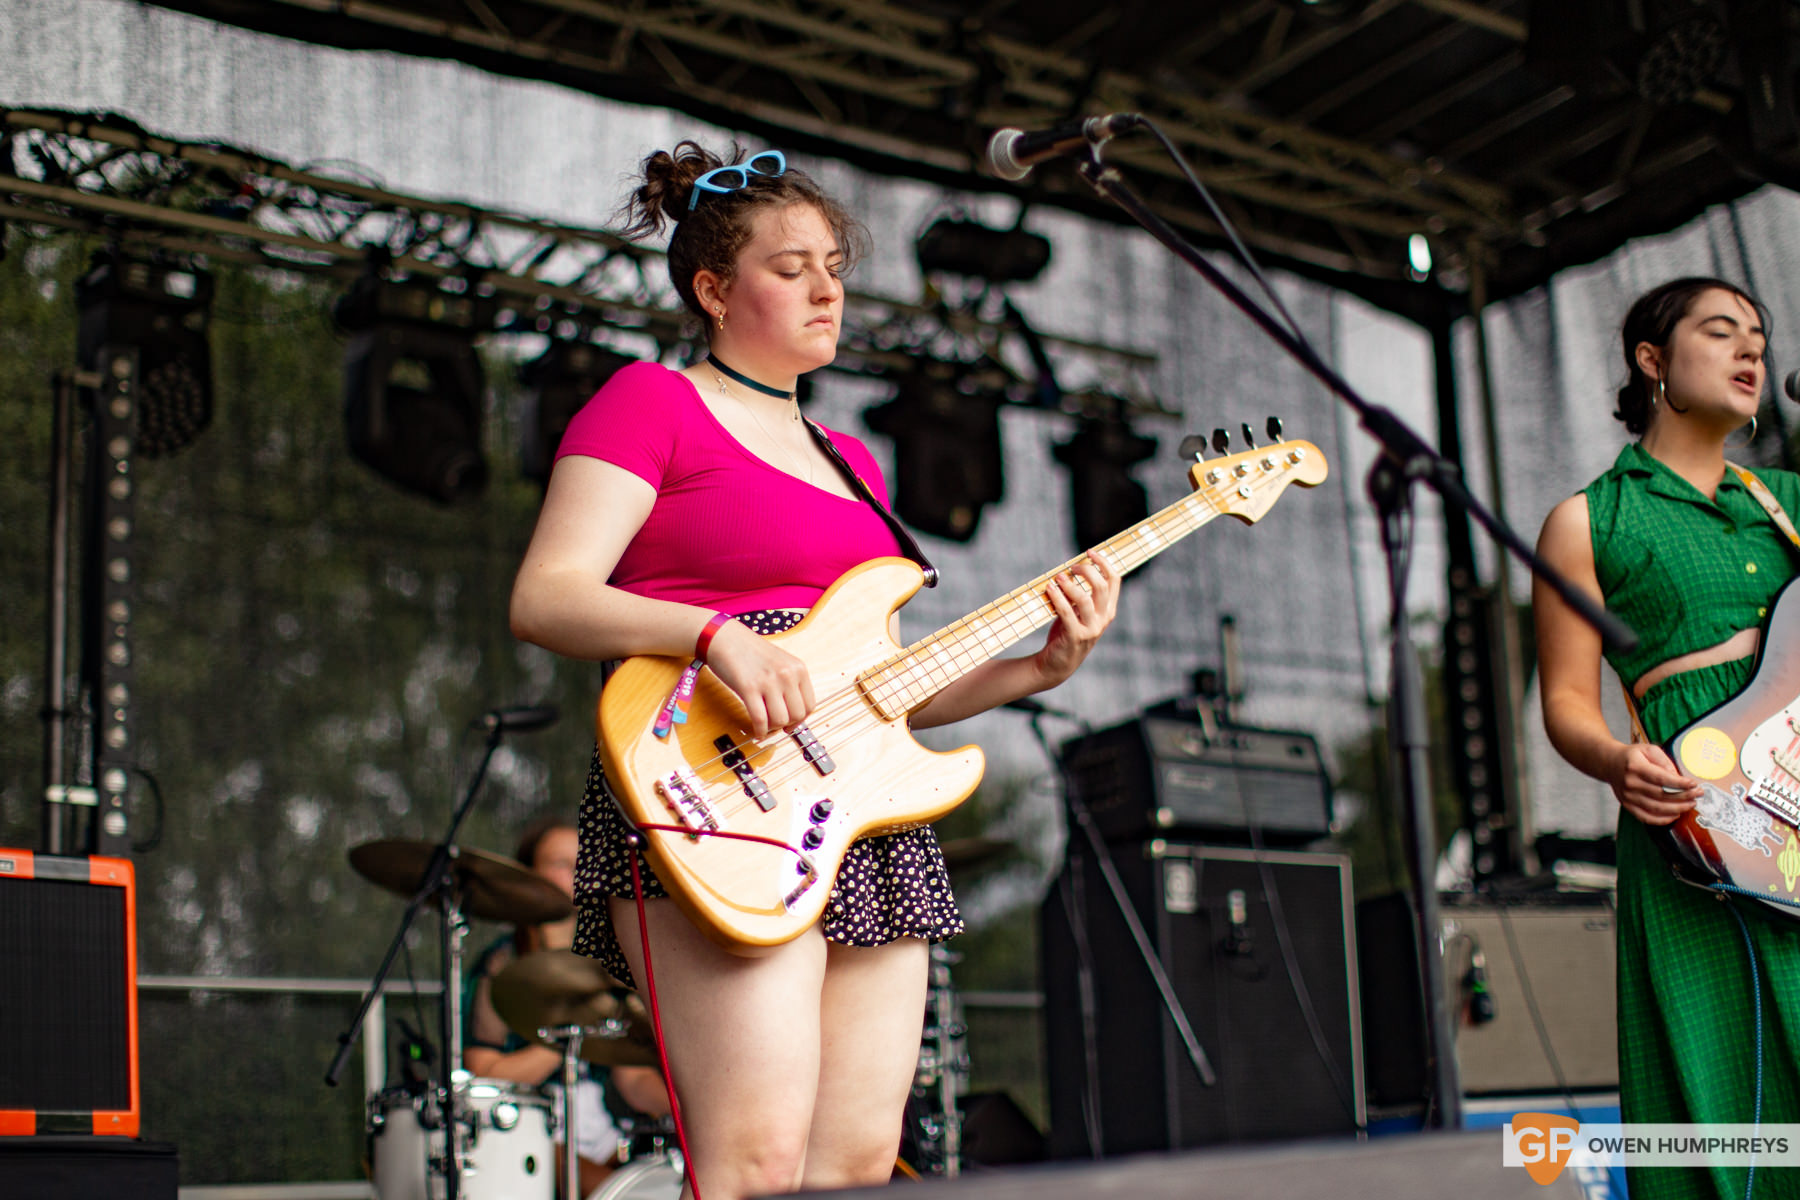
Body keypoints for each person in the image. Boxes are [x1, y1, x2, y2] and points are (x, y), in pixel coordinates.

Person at [508, 142, 1120, 1200]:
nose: (827, 287)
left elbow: (885, 689)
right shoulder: (652, 402)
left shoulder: (856, 463)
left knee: (854, 1168)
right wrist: (712, 635)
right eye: (790, 266)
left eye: (834, 263)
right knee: (752, 1165)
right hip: (710, 788)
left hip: (863, 814)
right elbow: (547, 596)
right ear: (713, 287)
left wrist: (1037, 670)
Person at [1534, 277, 1800, 1200]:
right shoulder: (1588, 519)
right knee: (1719, 1112)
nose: (1751, 352)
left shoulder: (1789, 502)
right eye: (1721, 332)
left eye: (1759, 339)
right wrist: (1616, 761)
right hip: (1699, 839)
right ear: (1652, 361)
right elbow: (1568, 701)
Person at [462, 814, 670, 1198]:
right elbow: (484, 1074)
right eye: (560, 863)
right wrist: (569, 1037)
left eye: (585, 863)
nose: (577, 874)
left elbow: (633, 1077)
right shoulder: (500, 964)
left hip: (603, 1132)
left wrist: (681, 1109)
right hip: (530, 1131)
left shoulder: (607, 965)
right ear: (529, 875)